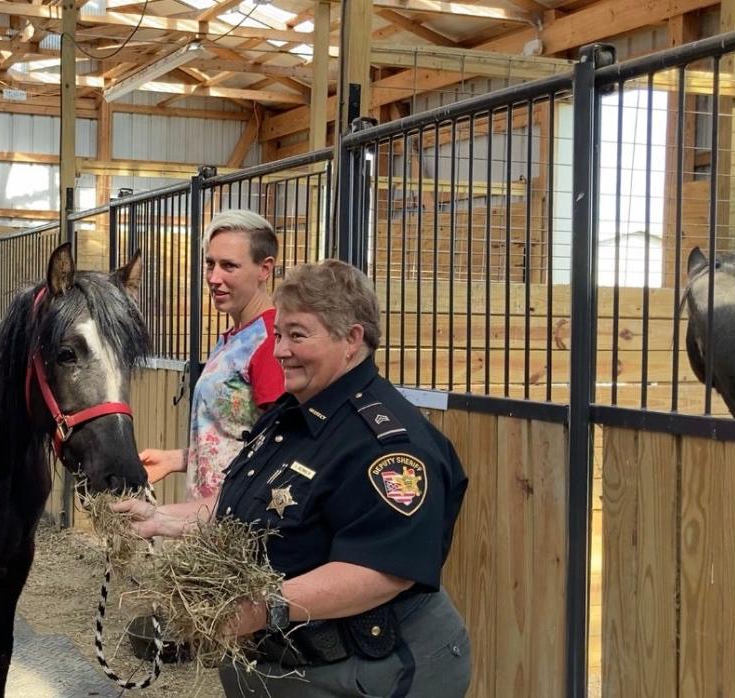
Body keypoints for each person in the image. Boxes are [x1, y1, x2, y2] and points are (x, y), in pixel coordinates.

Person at [114, 259, 472, 697]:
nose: (279, 349)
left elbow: (382, 572)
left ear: (351, 340)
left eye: (297, 335)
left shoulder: (389, 447)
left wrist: (263, 608)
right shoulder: (291, 413)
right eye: (278, 334)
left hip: (368, 671)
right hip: (281, 663)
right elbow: (240, 508)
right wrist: (160, 518)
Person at [139, 209, 284, 499]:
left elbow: (279, 444)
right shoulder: (235, 338)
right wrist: (178, 459)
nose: (214, 277)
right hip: (209, 517)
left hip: (240, 516)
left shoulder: (269, 342)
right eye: (210, 264)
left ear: (264, 269)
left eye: (229, 266)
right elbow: (233, 437)